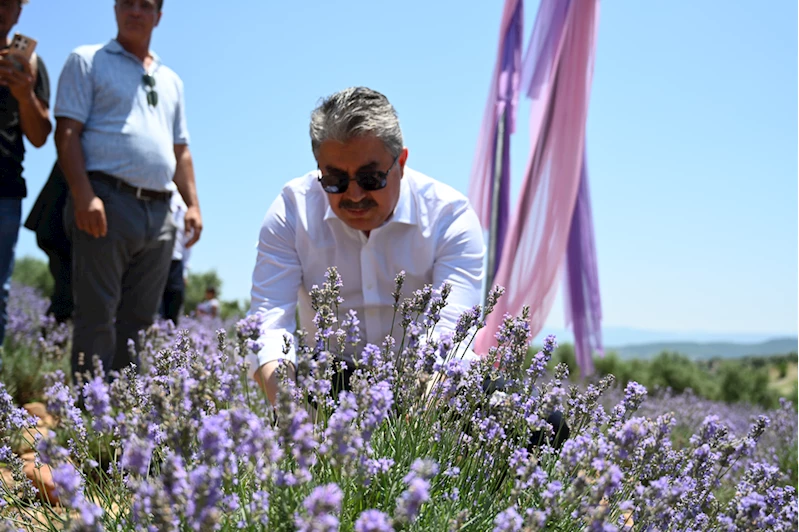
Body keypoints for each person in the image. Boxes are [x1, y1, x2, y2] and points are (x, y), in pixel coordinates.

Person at [54, 0, 202, 380]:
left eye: (146, 5)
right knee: (97, 311)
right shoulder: (87, 60)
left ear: (158, 15)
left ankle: (122, 417)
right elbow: (67, 132)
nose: (135, 11)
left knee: (140, 319)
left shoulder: (172, 80)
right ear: (116, 9)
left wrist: (192, 205)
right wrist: (85, 195)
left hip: (160, 211)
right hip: (106, 200)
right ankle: (87, 415)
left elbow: (180, 149)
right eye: (127, 3)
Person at [0, 0, 52, 348]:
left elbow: (39, 135)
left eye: (10, 3)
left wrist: (24, 94)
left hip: (5, 191)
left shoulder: (30, 65)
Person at [24, 161, 73, 324]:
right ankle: (51, 346)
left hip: (57, 222)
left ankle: (52, 344)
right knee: (68, 297)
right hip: (58, 223)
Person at [159, 191, 191, 325]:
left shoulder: (184, 205)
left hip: (176, 261)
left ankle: (169, 338)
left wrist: (185, 270)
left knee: (175, 298)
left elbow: (188, 243)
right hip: (157, 258)